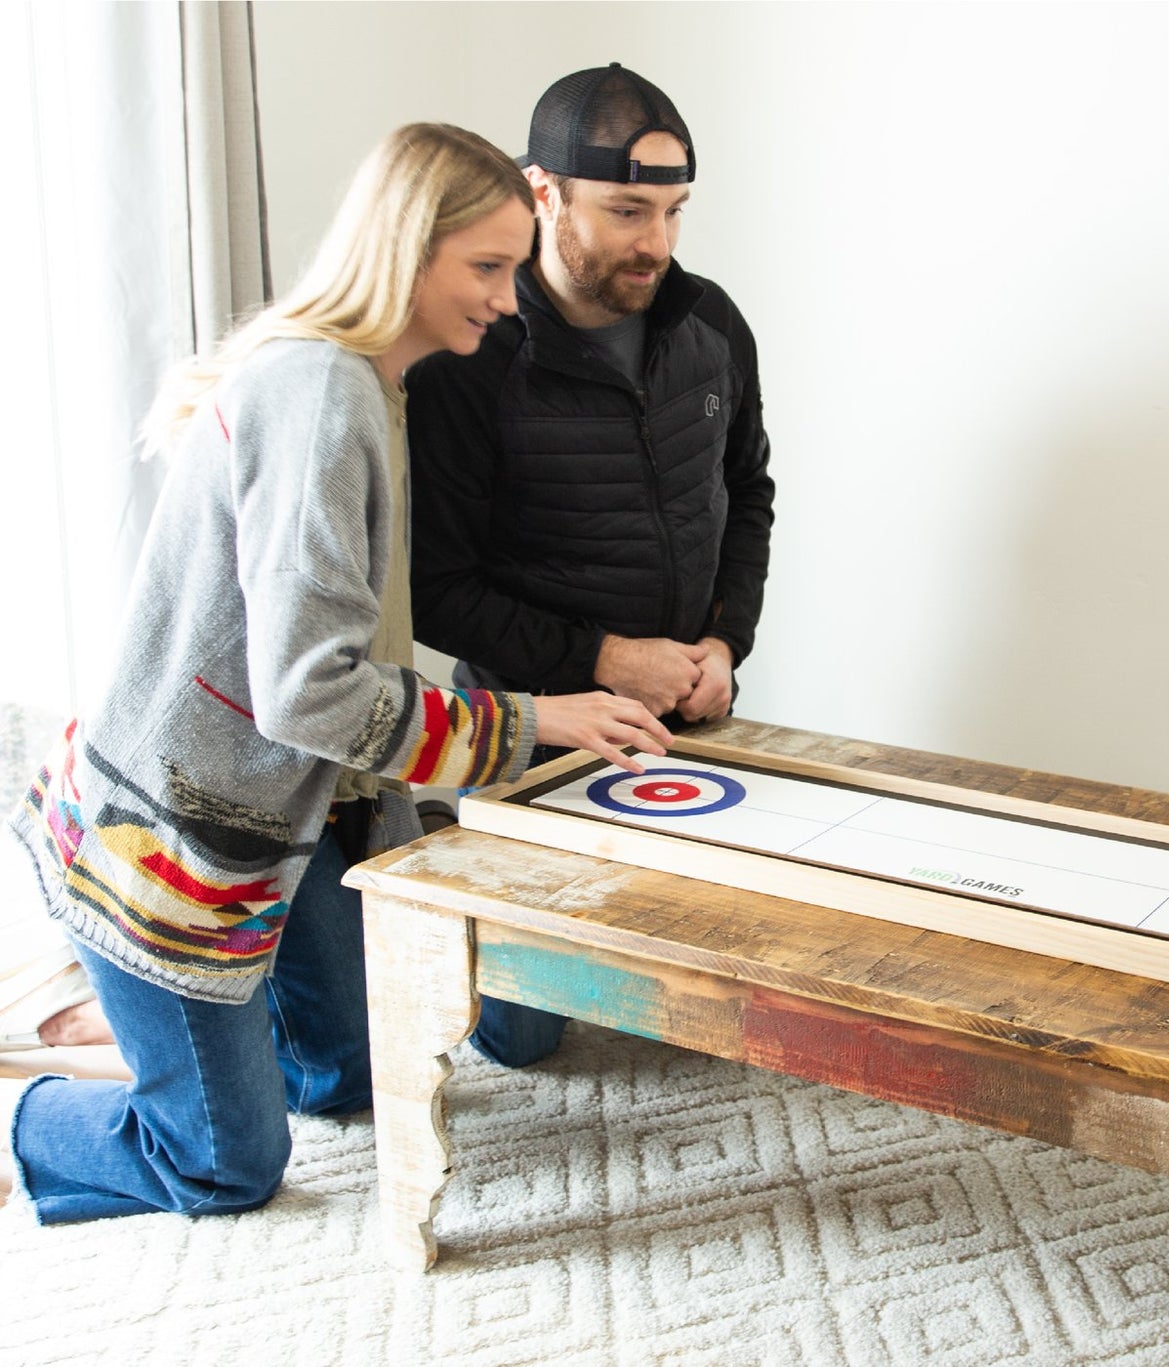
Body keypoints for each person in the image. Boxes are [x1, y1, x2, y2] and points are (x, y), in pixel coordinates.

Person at [0, 123, 674, 1224]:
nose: (510, 300)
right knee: (224, 1162)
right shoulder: (323, 397)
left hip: (282, 808)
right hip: (171, 836)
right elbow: (309, 690)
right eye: (488, 268)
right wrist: (532, 719)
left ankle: (161, 1030)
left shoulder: (368, 382)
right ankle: (42, 1103)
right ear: (407, 249)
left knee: (349, 1076)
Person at [406, 65, 775, 1066]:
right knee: (521, 1035)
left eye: (671, 210)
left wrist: (722, 640)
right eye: (625, 209)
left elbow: (747, 491)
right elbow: (436, 588)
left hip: (694, 704)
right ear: (542, 193)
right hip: (533, 724)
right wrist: (608, 656)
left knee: (719, 1011)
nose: (655, 240)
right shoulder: (469, 356)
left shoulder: (712, 325)